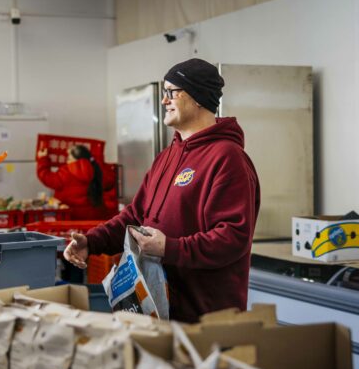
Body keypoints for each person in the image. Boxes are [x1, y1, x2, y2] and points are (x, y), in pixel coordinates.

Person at [64, 58, 260, 323]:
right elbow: (136, 215)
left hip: (206, 318)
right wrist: (92, 241)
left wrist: (170, 247)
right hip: (161, 311)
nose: (164, 100)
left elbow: (233, 237)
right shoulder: (168, 156)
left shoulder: (228, 158)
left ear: (198, 97)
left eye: (171, 92)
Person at [36, 144, 117, 220]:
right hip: (96, 219)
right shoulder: (97, 169)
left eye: (68, 158)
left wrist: (43, 158)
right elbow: (111, 182)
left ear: (74, 159)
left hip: (71, 219)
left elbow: (46, 176)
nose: (67, 161)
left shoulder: (65, 172)